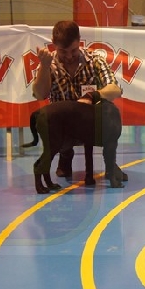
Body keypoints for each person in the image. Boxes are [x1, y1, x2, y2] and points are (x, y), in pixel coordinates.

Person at [32, 20, 124, 178]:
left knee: (110, 123)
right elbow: (40, 94)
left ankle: (110, 163)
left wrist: (91, 96)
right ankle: (65, 155)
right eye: (63, 51)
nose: (69, 56)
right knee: (52, 126)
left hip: (90, 124)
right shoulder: (48, 63)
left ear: (80, 40)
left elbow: (115, 89)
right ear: (54, 44)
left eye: (73, 50)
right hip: (63, 126)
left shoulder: (95, 60)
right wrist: (45, 67)